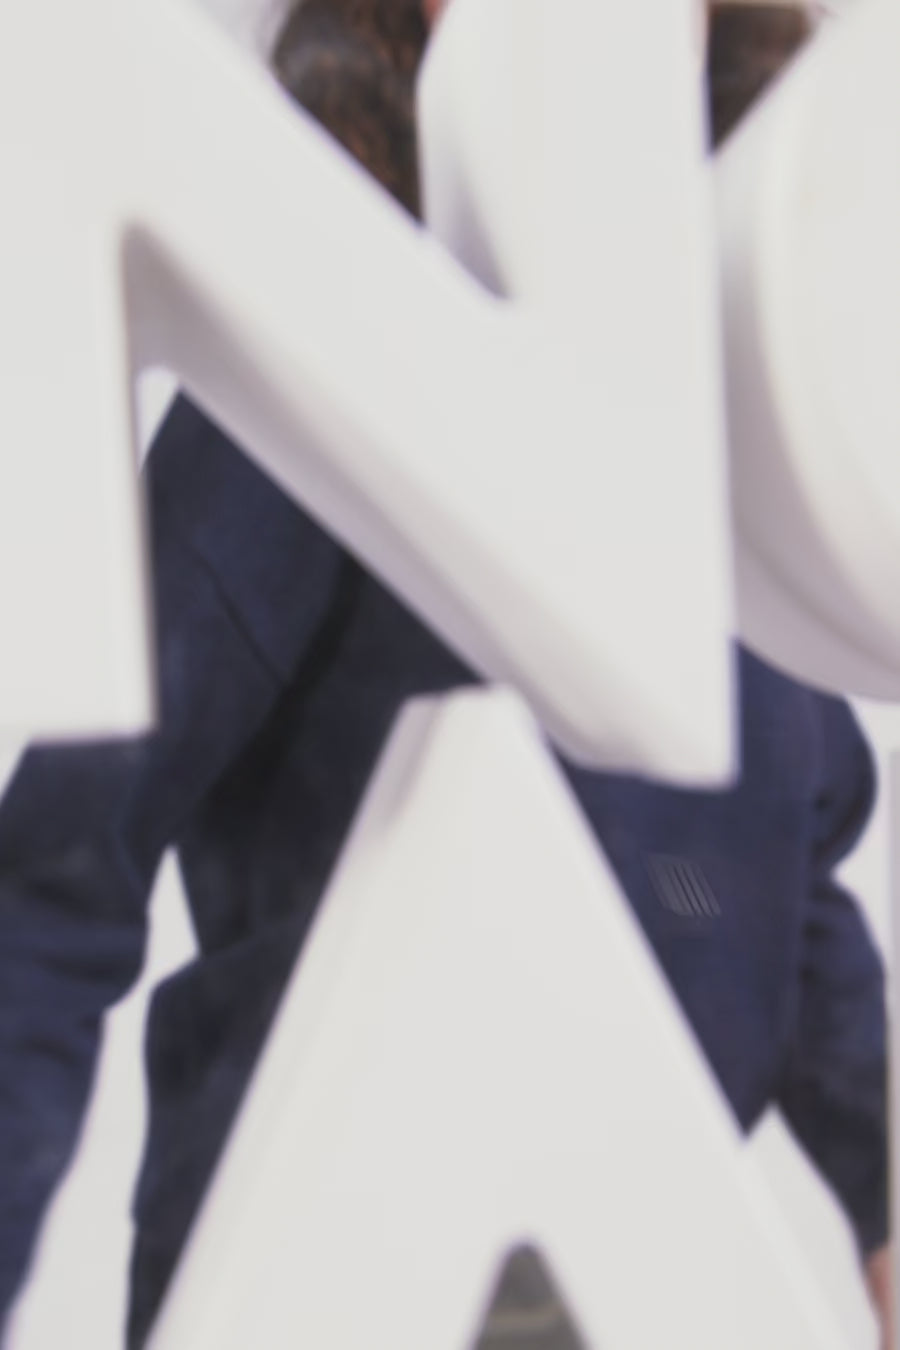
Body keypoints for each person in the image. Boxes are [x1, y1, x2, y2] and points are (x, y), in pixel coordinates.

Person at [0, 2, 890, 1346]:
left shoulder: (718, 431)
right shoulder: (328, 381)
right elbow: (63, 873)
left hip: (631, 1265)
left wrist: (880, 1198)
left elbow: (762, 874)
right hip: (332, 1256)